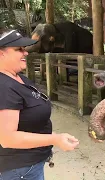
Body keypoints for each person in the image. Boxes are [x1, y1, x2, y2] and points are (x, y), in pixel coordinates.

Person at [0, 28, 79, 180]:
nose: (26, 53)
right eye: (19, 49)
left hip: (29, 166)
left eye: (24, 48)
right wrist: (54, 139)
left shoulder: (18, 78)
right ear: (1, 53)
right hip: (19, 170)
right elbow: (7, 138)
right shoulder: (3, 87)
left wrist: (51, 135)